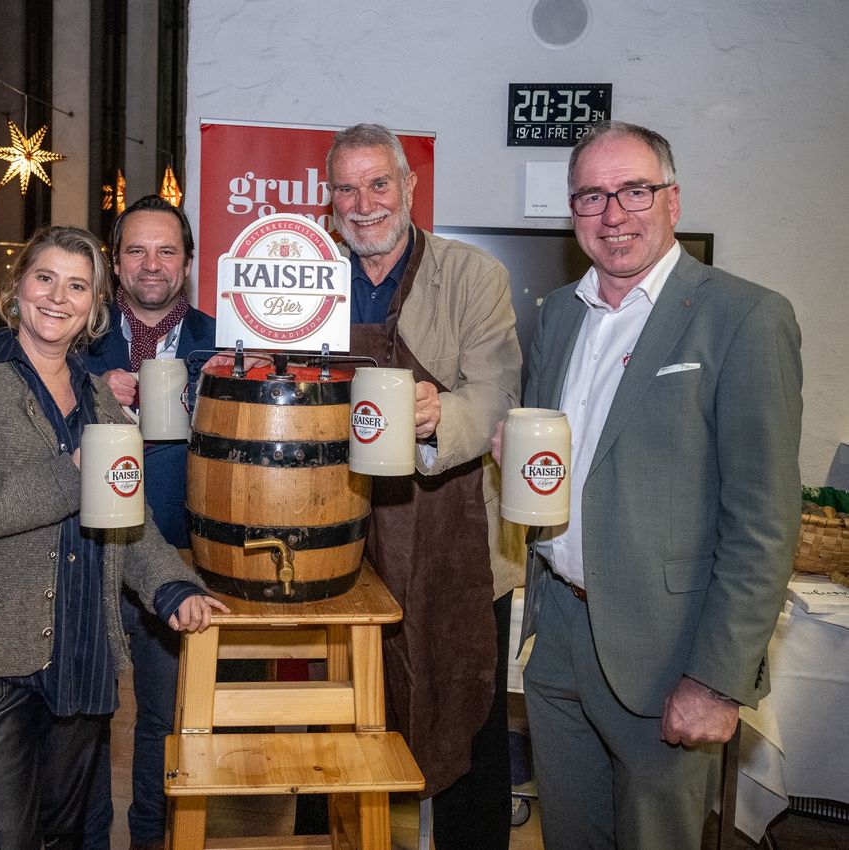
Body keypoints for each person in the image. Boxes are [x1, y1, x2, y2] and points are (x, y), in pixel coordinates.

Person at [504, 121, 802, 848]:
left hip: (668, 653)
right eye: (591, 196)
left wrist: (717, 680)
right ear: (573, 214)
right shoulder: (558, 317)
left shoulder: (744, 317)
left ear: (673, 199)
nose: (613, 214)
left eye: (634, 190)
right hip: (560, 636)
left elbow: (763, 521)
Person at [0, 225, 229, 850]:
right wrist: (68, 474)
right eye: (44, 278)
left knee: (60, 839)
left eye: (77, 285)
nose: (57, 296)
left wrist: (172, 586)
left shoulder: (100, 398)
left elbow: (126, 515)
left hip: (81, 654)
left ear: (94, 307)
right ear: (16, 286)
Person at [310, 123, 523, 849]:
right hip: (339, 536)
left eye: (379, 183)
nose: (363, 203)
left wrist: (437, 415)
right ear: (328, 197)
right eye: (346, 187)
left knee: (467, 714)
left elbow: (496, 397)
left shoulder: (471, 276)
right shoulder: (310, 273)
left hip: (450, 536)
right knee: (343, 712)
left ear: (409, 187)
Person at [79, 195, 216, 850]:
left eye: (166, 250)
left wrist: (225, 393)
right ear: (116, 260)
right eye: (136, 249)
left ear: (187, 263)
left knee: (163, 721)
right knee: (86, 717)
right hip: (90, 558)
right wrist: (91, 392)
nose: (151, 263)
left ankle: (149, 842)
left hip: (177, 565)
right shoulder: (74, 338)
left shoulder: (225, 344)